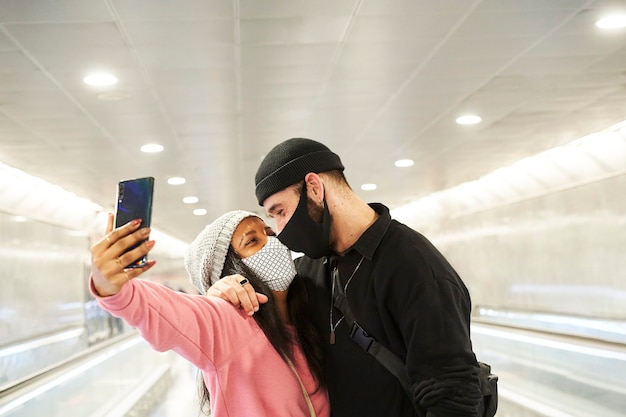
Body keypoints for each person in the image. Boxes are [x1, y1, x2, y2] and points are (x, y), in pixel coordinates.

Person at [208, 138, 483, 417]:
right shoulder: (308, 270)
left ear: (314, 188)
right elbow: (262, 325)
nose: (279, 229)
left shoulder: (415, 268)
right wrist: (223, 290)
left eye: (281, 211)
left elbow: (453, 395)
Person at [90, 210, 330, 417]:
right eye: (252, 241)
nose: (272, 244)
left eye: (270, 233)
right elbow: (164, 311)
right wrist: (113, 288)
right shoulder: (230, 322)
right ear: (229, 269)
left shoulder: (309, 313)